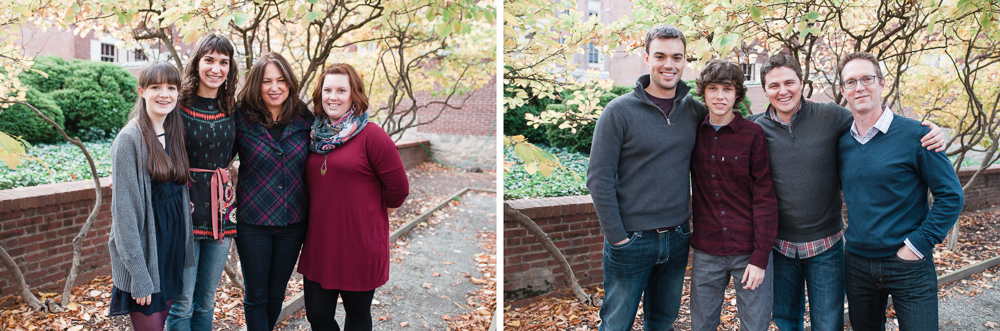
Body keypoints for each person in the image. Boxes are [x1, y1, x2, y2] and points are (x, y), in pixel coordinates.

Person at [746, 54, 946, 331]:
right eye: (774, 85)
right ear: (764, 89)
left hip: (830, 248)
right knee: (786, 322)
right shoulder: (753, 128)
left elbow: (877, 120)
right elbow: (722, 134)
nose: (783, 91)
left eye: (789, 82)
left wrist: (932, 130)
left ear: (801, 83)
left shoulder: (830, 116)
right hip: (787, 249)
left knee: (829, 325)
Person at [586, 24, 707, 331]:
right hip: (632, 240)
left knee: (663, 323)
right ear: (647, 58)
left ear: (684, 60)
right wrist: (617, 237)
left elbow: (728, 130)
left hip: (678, 237)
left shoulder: (694, 110)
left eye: (677, 57)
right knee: (616, 324)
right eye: (661, 56)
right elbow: (599, 179)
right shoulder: (618, 112)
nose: (670, 64)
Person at [836, 52, 963, 331]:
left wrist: (918, 245)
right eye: (851, 82)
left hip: (909, 262)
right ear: (843, 90)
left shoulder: (918, 135)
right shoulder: (841, 142)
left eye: (867, 79)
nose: (860, 87)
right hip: (857, 264)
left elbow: (951, 196)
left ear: (882, 84)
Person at [297, 63, 409, 331]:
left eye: (340, 90)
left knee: (357, 316)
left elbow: (399, 189)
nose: (332, 97)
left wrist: (375, 214)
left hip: (359, 244)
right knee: (318, 316)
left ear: (353, 94)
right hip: (320, 244)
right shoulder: (312, 135)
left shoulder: (372, 135)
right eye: (327, 90)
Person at [688, 60, 777, 331]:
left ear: (737, 93)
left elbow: (764, 197)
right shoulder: (694, 133)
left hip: (748, 249)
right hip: (706, 250)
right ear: (703, 92)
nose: (719, 96)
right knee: (701, 325)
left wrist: (760, 257)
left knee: (755, 325)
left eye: (727, 89)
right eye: (712, 88)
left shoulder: (754, 135)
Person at [108, 61, 195, 331]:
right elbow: (124, 217)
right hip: (146, 255)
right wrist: (139, 276)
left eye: (171, 87)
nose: (164, 94)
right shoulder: (129, 140)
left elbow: (171, 188)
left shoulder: (174, 132)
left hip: (171, 248)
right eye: (156, 87)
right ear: (142, 90)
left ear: (178, 93)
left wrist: (181, 206)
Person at [232, 52, 314, 331]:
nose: (274, 87)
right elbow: (217, 158)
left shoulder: (304, 118)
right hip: (253, 222)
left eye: (280, 80)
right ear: (257, 84)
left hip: (294, 222)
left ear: (289, 83)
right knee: (256, 295)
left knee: (276, 293)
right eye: (267, 81)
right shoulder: (241, 118)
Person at [166, 33, 240, 331]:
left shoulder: (234, 107)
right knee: (182, 302)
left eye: (224, 62)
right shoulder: (176, 105)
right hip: (184, 210)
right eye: (209, 60)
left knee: (207, 300)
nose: (216, 68)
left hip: (222, 212)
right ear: (196, 63)